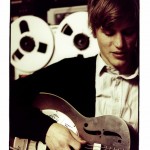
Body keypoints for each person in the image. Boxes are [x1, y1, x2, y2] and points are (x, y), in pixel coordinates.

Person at [10, 0, 139, 149]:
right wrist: (47, 130)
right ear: (93, 29)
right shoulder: (69, 72)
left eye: (128, 32)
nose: (119, 44)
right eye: (109, 32)